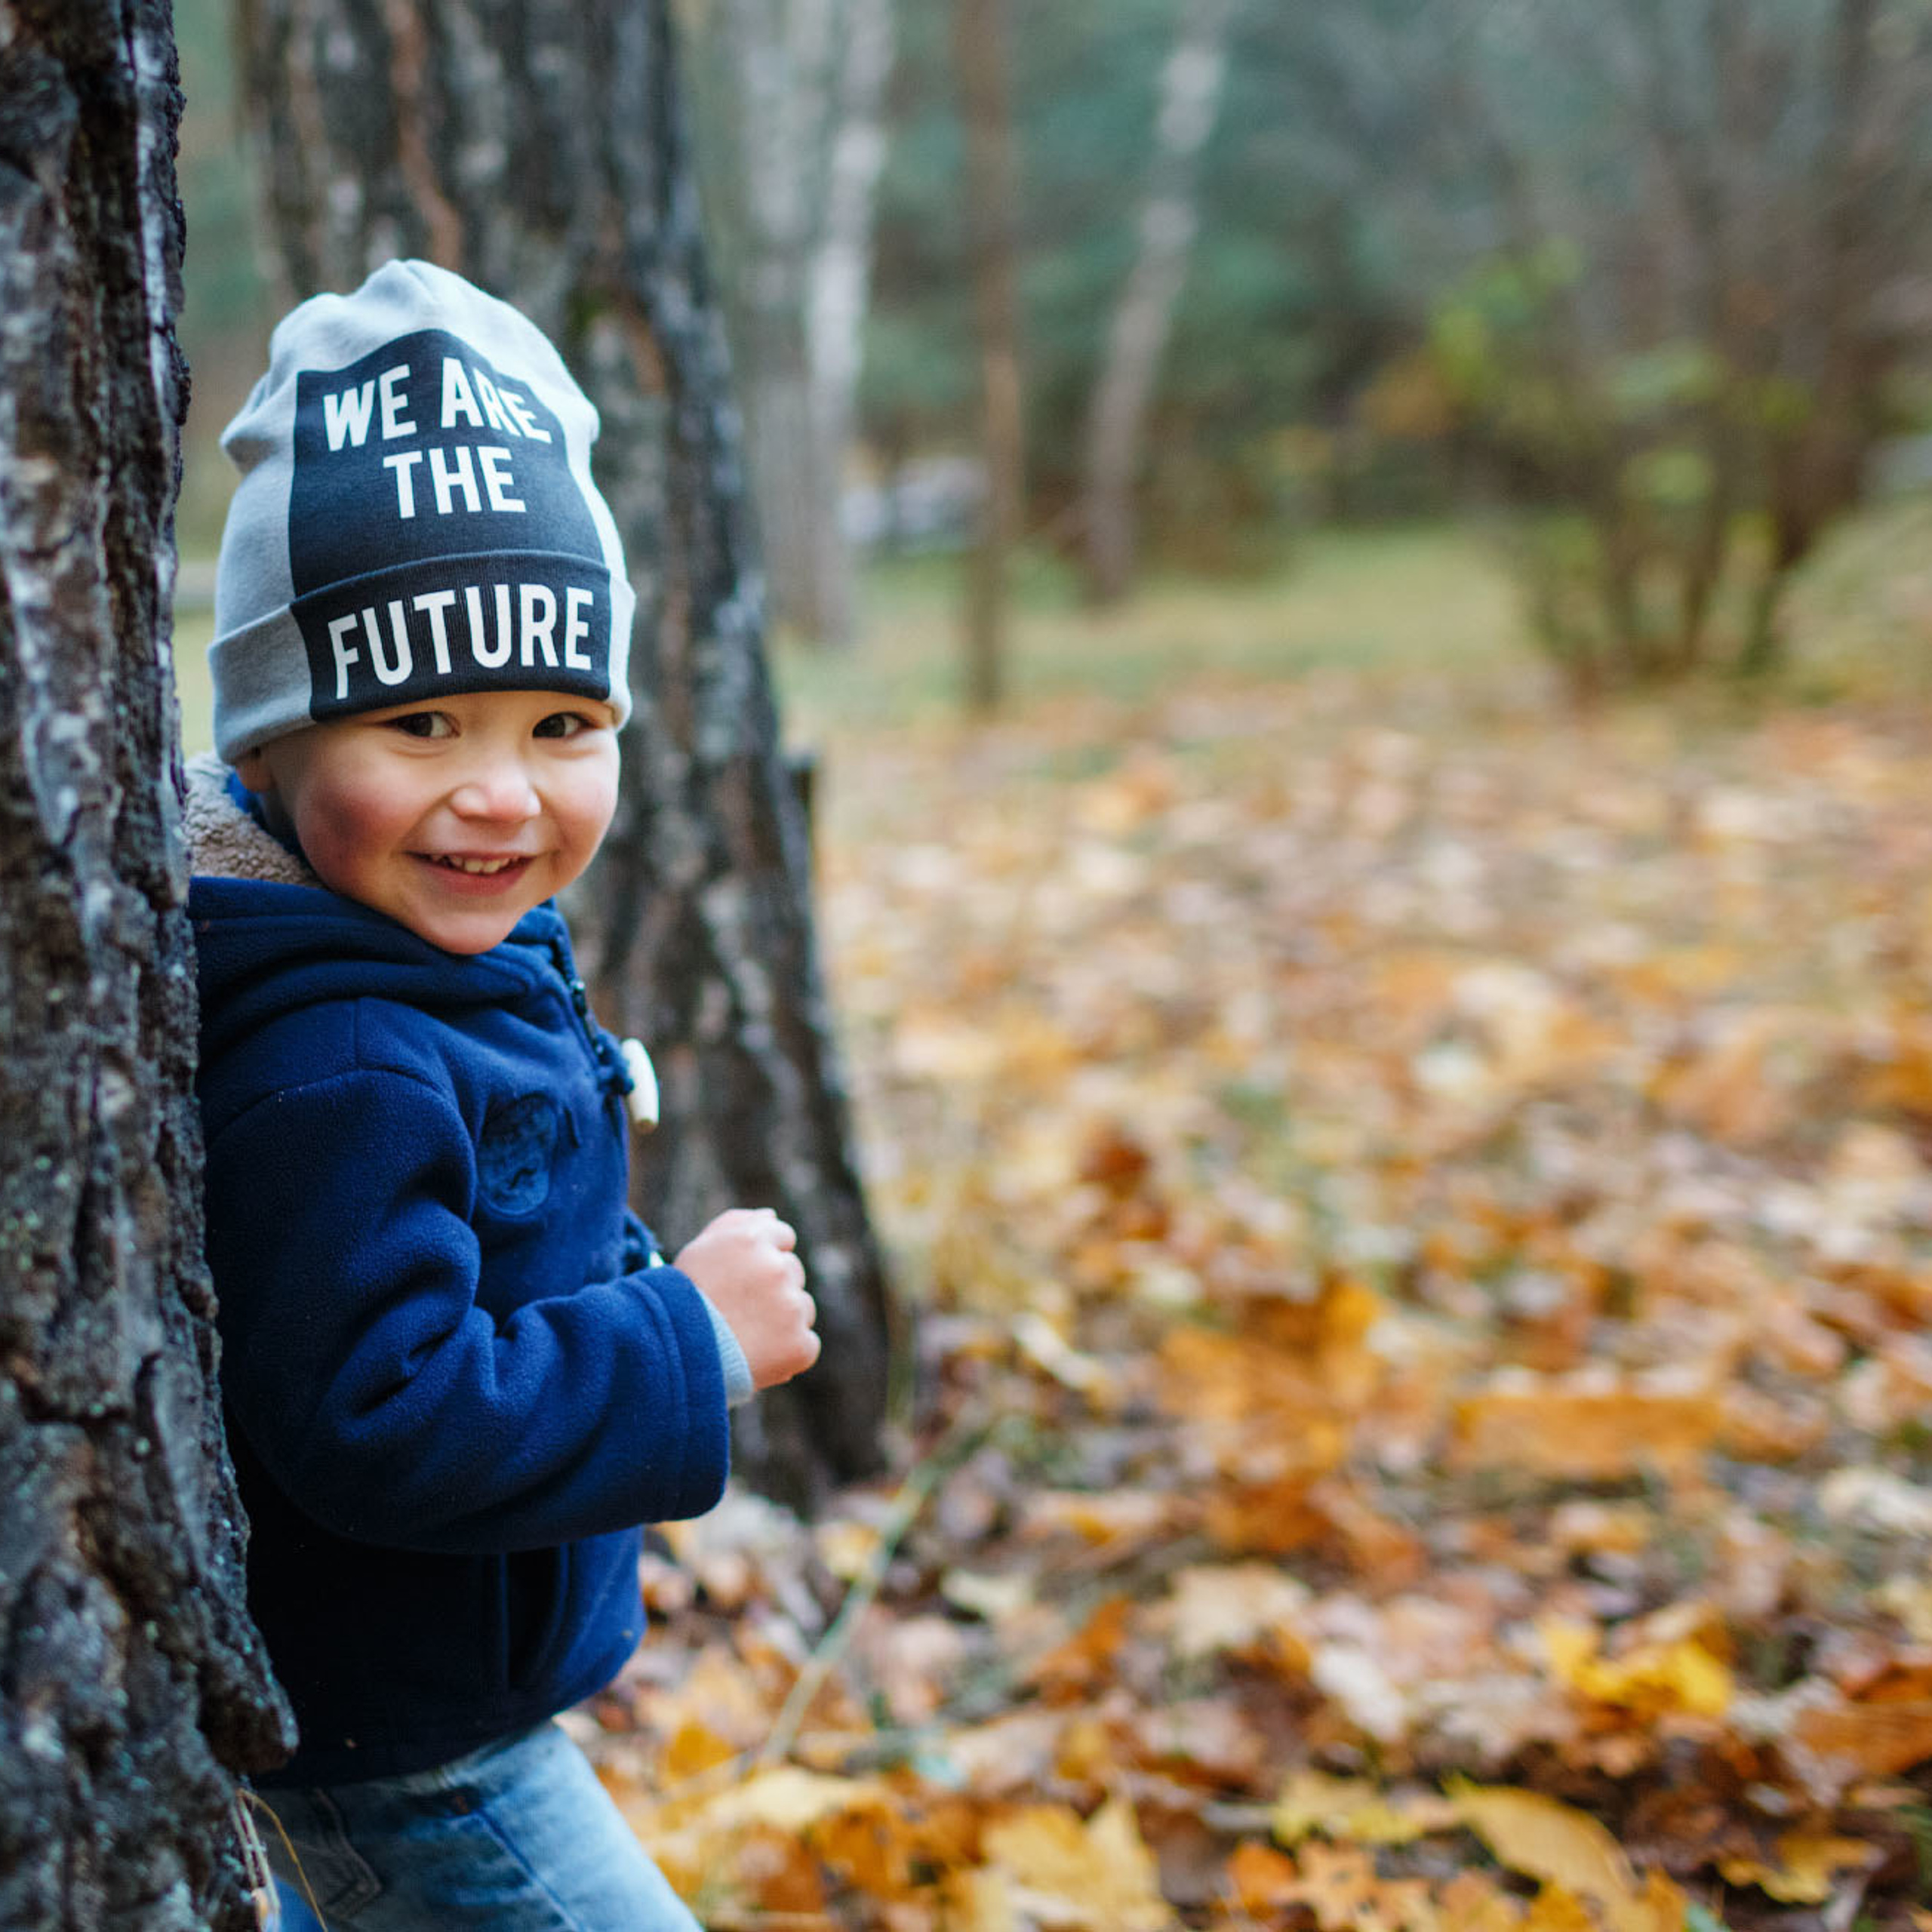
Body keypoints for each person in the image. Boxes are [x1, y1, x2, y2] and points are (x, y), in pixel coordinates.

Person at [186, 259, 820, 1930]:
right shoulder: (341, 1055)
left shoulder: (436, 962)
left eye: (560, 721)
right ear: (270, 745)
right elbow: (375, 1414)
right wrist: (682, 1341)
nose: (497, 790)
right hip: (415, 1749)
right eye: (416, 720)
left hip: (426, 1712)